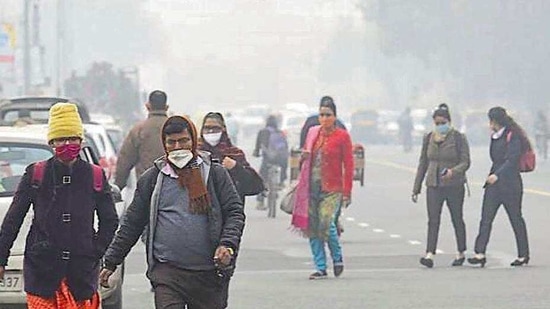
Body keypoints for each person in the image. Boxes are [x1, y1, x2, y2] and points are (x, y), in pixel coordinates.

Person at [99, 115, 245, 309]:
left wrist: (227, 244)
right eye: (172, 142)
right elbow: (132, 224)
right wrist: (111, 262)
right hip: (167, 273)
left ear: (193, 141)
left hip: (209, 274)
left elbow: (234, 212)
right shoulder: (152, 179)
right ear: (164, 144)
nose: (178, 147)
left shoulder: (214, 174)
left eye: (183, 141)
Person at [0, 102, 119, 309]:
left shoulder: (95, 175)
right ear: (52, 143)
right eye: (61, 139)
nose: (67, 144)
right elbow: (13, 220)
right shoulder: (36, 174)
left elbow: (110, 220)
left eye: (72, 139)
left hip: (81, 274)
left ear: (80, 141)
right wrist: (2, 258)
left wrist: (94, 251)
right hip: (42, 271)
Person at [291, 99, 353, 279]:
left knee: (326, 224)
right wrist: (304, 157)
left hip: (332, 188)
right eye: (322, 115)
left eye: (328, 115)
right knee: (311, 227)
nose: (324, 118)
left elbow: (348, 166)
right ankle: (320, 267)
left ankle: (337, 257)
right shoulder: (313, 134)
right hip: (311, 187)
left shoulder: (342, 136)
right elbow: (305, 158)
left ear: (335, 117)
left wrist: (347, 192)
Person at [469, 107, 531, 267]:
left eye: (490, 120)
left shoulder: (513, 136)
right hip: (493, 184)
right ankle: (479, 253)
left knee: (516, 218)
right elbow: (496, 159)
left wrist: (498, 175)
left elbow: (512, 160)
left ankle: (523, 254)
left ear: (495, 121)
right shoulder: (495, 136)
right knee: (486, 218)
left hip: (510, 184)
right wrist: (493, 177)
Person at [412, 104, 471, 268]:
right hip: (434, 184)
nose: (440, 126)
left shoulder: (458, 138)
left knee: (457, 218)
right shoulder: (429, 138)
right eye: (437, 123)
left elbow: (466, 162)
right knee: (433, 220)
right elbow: (423, 163)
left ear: (449, 122)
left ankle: (461, 251)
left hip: (454, 185)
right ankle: (429, 253)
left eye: (443, 122)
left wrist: (454, 171)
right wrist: (416, 188)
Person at [199, 112, 264, 203]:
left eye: (215, 128)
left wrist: (236, 167)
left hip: (230, 210)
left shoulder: (234, 153)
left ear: (223, 129)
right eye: (207, 128)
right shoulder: (196, 154)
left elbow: (255, 185)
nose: (211, 131)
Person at [114, 90, 169, 190]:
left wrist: (118, 185)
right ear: (166, 107)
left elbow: (125, 160)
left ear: (148, 106)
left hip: (147, 187)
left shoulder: (138, 130)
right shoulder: (175, 128)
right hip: (173, 187)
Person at [253, 114, 289, 210]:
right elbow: (285, 147)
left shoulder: (262, 132)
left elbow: (257, 148)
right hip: (281, 159)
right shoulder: (280, 132)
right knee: (284, 166)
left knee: (261, 179)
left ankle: (260, 201)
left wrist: (256, 153)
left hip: (268, 159)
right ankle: (281, 181)